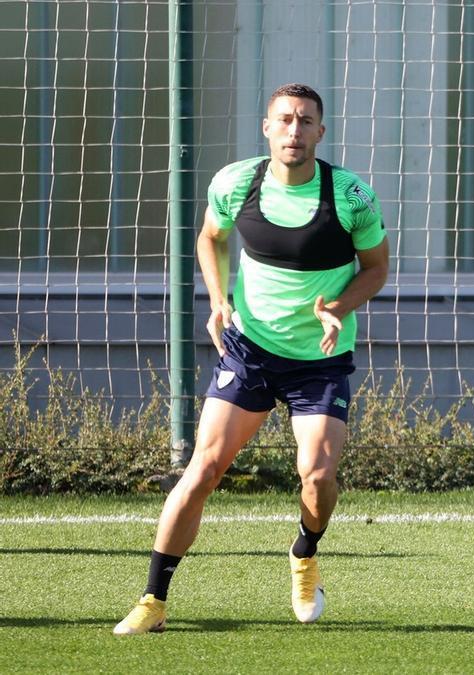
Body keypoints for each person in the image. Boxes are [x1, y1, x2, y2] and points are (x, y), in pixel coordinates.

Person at [115, 83, 390, 634]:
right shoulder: (236, 182)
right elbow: (209, 239)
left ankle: (305, 553)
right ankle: (153, 601)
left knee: (317, 474)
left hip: (319, 359)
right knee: (202, 470)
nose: (294, 130)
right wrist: (218, 300)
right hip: (249, 350)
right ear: (267, 128)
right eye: (284, 120)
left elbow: (377, 269)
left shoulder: (351, 197)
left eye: (306, 121)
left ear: (320, 132)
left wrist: (337, 305)